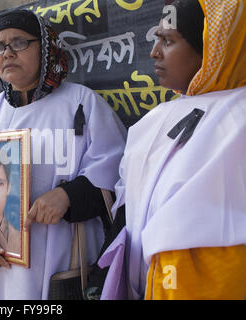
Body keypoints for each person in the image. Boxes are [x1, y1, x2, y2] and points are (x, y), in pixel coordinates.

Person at [0, 9, 127, 300]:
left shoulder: (82, 104)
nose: (7, 53)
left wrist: (69, 196)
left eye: (19, 43)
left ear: (46, 48)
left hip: (63, 262)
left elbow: (118, 174)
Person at [98, 0, 246, 300]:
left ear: (210, 48)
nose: (154, 52)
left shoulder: (239, 117)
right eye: (157, 40)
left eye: (168, 41)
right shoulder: (155, 118)